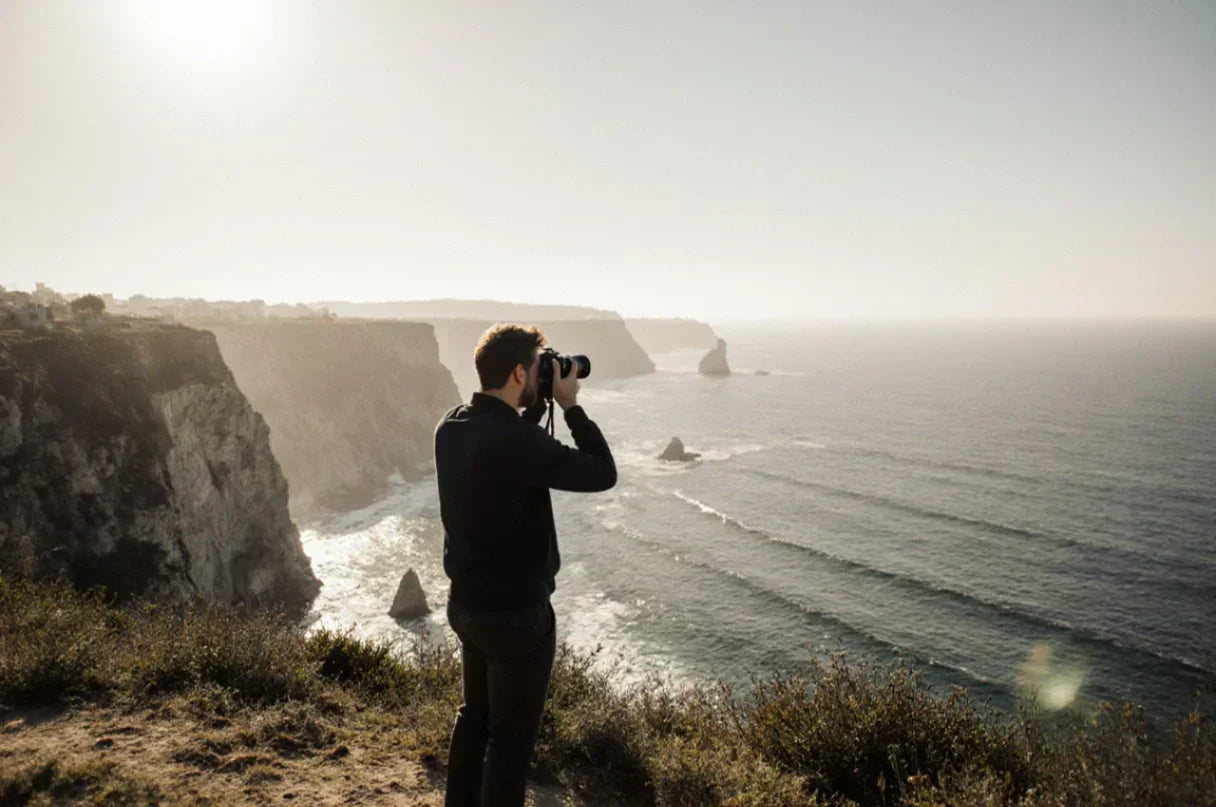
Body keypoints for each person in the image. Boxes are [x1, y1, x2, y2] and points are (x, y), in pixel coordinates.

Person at [435, 323, 616, 806]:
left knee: (474, 719)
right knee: (511, 746)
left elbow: (507, 444)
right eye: (540, 364)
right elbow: (602, 472)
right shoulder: (515, 442)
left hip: (467, 606)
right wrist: (571, 404)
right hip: (517, 616)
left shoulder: (451, 426)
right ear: (520, 371)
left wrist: (535, 398)